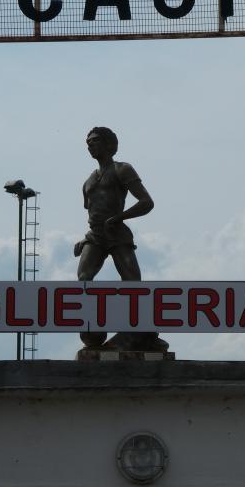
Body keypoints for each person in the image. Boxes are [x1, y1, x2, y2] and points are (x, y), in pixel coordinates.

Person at [75, 127, 167, 352]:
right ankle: (92, 328)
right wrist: (83, 239)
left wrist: (120, 217)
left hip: (117, 232)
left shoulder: (122, 169)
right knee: (84, 278)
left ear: (109, 144)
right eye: (88, 142)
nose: (90, 145)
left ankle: (143, 329)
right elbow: (92, 214)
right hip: (95, 235)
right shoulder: (88, 181)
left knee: (132, 281)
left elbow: (147, 202)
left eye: (95, 141)